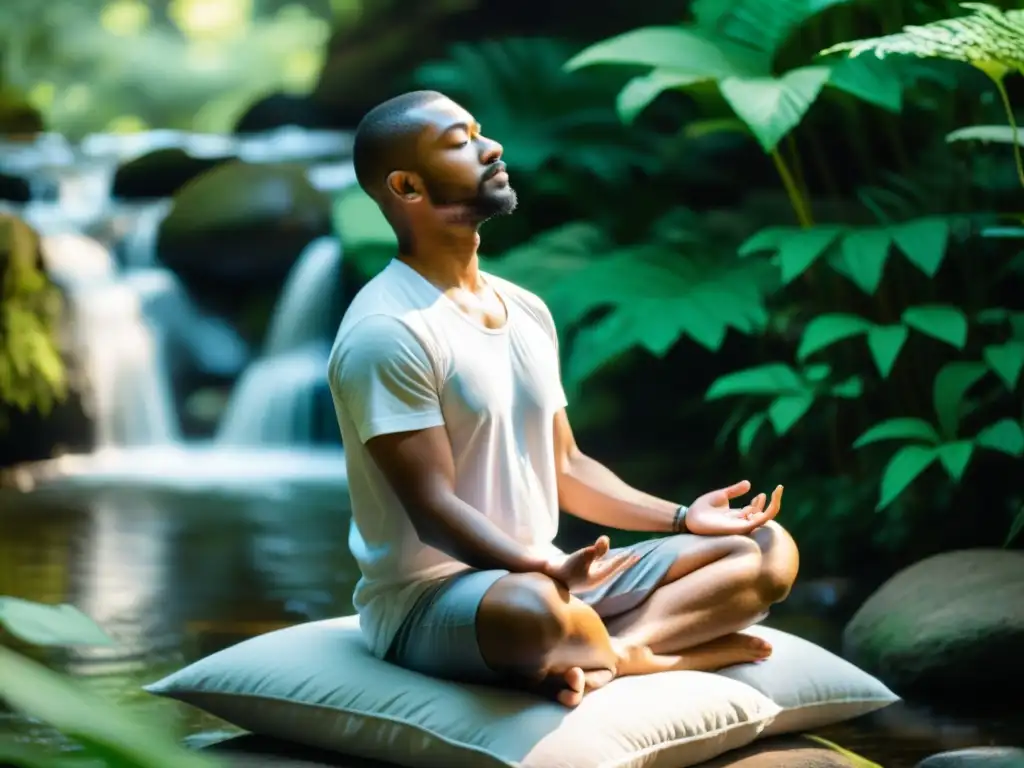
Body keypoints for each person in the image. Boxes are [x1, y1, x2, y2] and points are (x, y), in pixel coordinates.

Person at [327, 90, 800, 707]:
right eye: (459, 142)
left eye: (479, 131)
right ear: (408, 187)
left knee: (765, 549)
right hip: (436, 601)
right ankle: (621, 645)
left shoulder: (526, 310)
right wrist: (544, 571)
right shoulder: (387, 331)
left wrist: (684, 518)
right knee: (535, 614)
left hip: (557, 576)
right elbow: (433, 509)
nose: (491, 147)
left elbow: (567, 467)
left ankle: (624, 654)